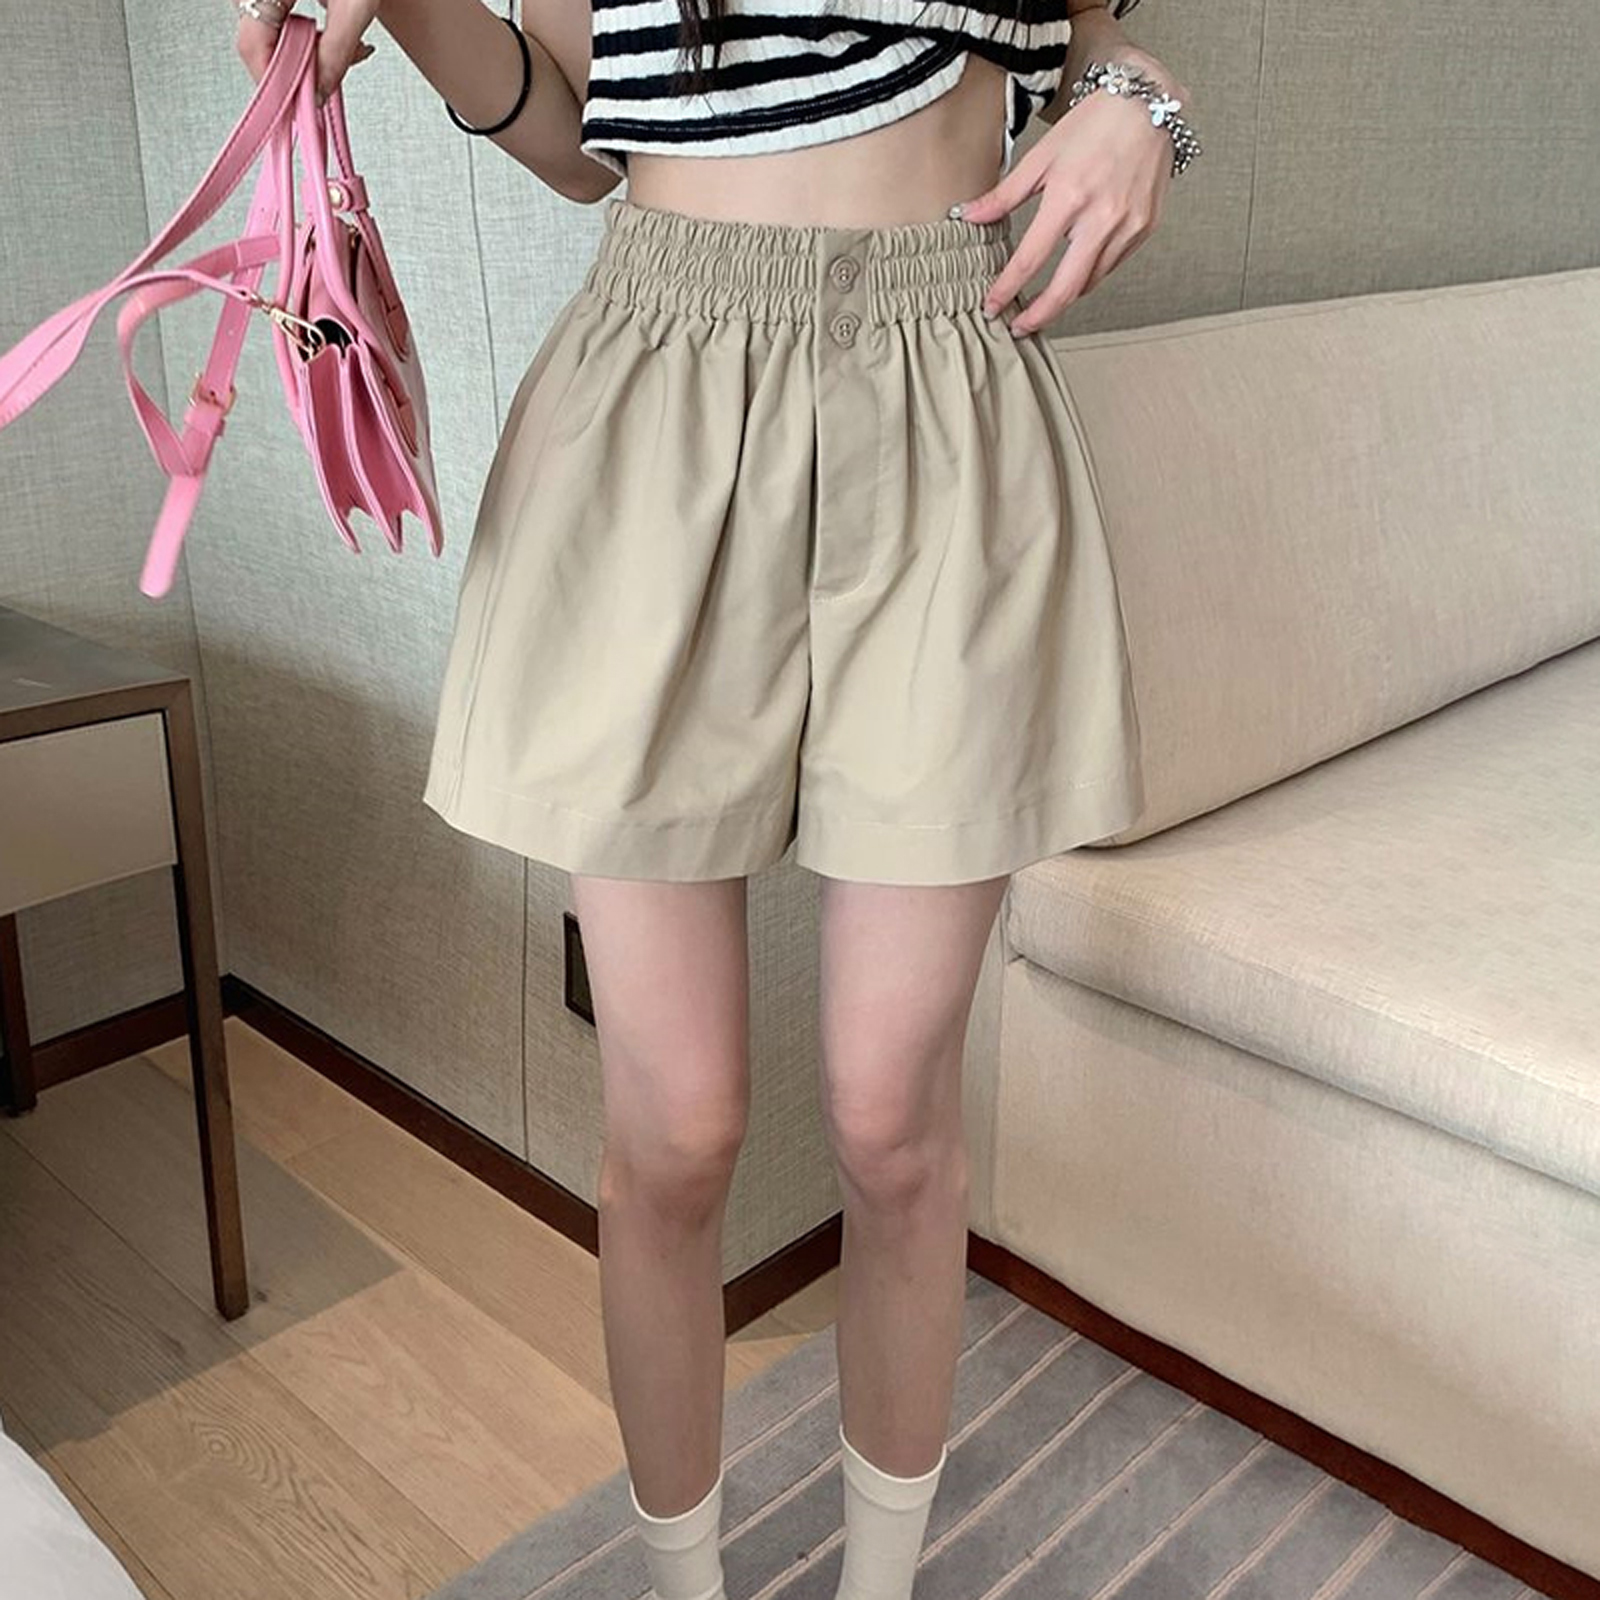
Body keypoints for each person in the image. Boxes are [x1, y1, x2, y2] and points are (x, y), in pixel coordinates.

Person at [236, 3, 1194, 1596]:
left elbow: (1099, 44)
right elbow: (572, 138)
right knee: (674, 1129)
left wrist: (1136, 103)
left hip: (946, 388)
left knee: (893, 1121)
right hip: (659, 389)